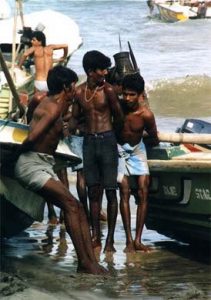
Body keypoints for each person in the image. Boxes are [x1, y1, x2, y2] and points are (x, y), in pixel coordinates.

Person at [13, 65, 107, 274]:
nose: (75, 89)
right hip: (31, 164)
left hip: (44, 163)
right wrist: (12, 158)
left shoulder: (57, 106)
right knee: (72, 206)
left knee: (76, 208)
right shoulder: (53, 107)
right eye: (73, 85)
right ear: (66, 86)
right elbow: (32, 138)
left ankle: (89, 262)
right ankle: (85, 263)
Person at [70, 50, 124, 252]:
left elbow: (118, 117)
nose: (104, 73)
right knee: (93, 191)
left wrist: (113, 136)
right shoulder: (78, 92)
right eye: (101, 69)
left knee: (110, 191)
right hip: (89, 143)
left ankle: (109, 240)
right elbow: (75, 118)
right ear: (90, 71)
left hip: (107, 140)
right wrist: (67, 131)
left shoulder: (108, 91)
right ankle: (95, 235)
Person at [115, 73, 159, 253]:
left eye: (132, 94)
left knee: (143, 190)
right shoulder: (118, 108)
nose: (127, 98)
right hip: (118, 149)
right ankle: (128, 240)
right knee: (124, 191)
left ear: (140, 94)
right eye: (125, 94)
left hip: (137, 149)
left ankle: (138, 240)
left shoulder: (146, 115)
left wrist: (141, 141)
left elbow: (154, 138)